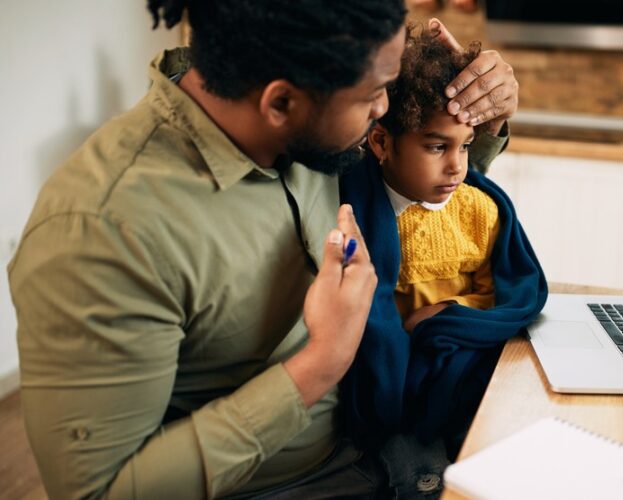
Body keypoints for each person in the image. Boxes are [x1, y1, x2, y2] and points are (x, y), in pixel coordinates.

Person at [6, 1, 521, 498]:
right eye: (373, 95)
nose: (383, 109)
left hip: (385, 441)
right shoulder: (103, 232)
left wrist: (484, 113)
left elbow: (414, 186)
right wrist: (320, 364)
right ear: (280, 104)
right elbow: (100, 491)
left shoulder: (314, 121)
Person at [336, 28, 547, 496]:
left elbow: (502, 293)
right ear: (380, 143)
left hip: (458, 372)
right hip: (387, 399)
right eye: (437, 147)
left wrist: (450, 312)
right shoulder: (350, 212)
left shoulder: (478, 211)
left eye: (466, 145)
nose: (457, 167)